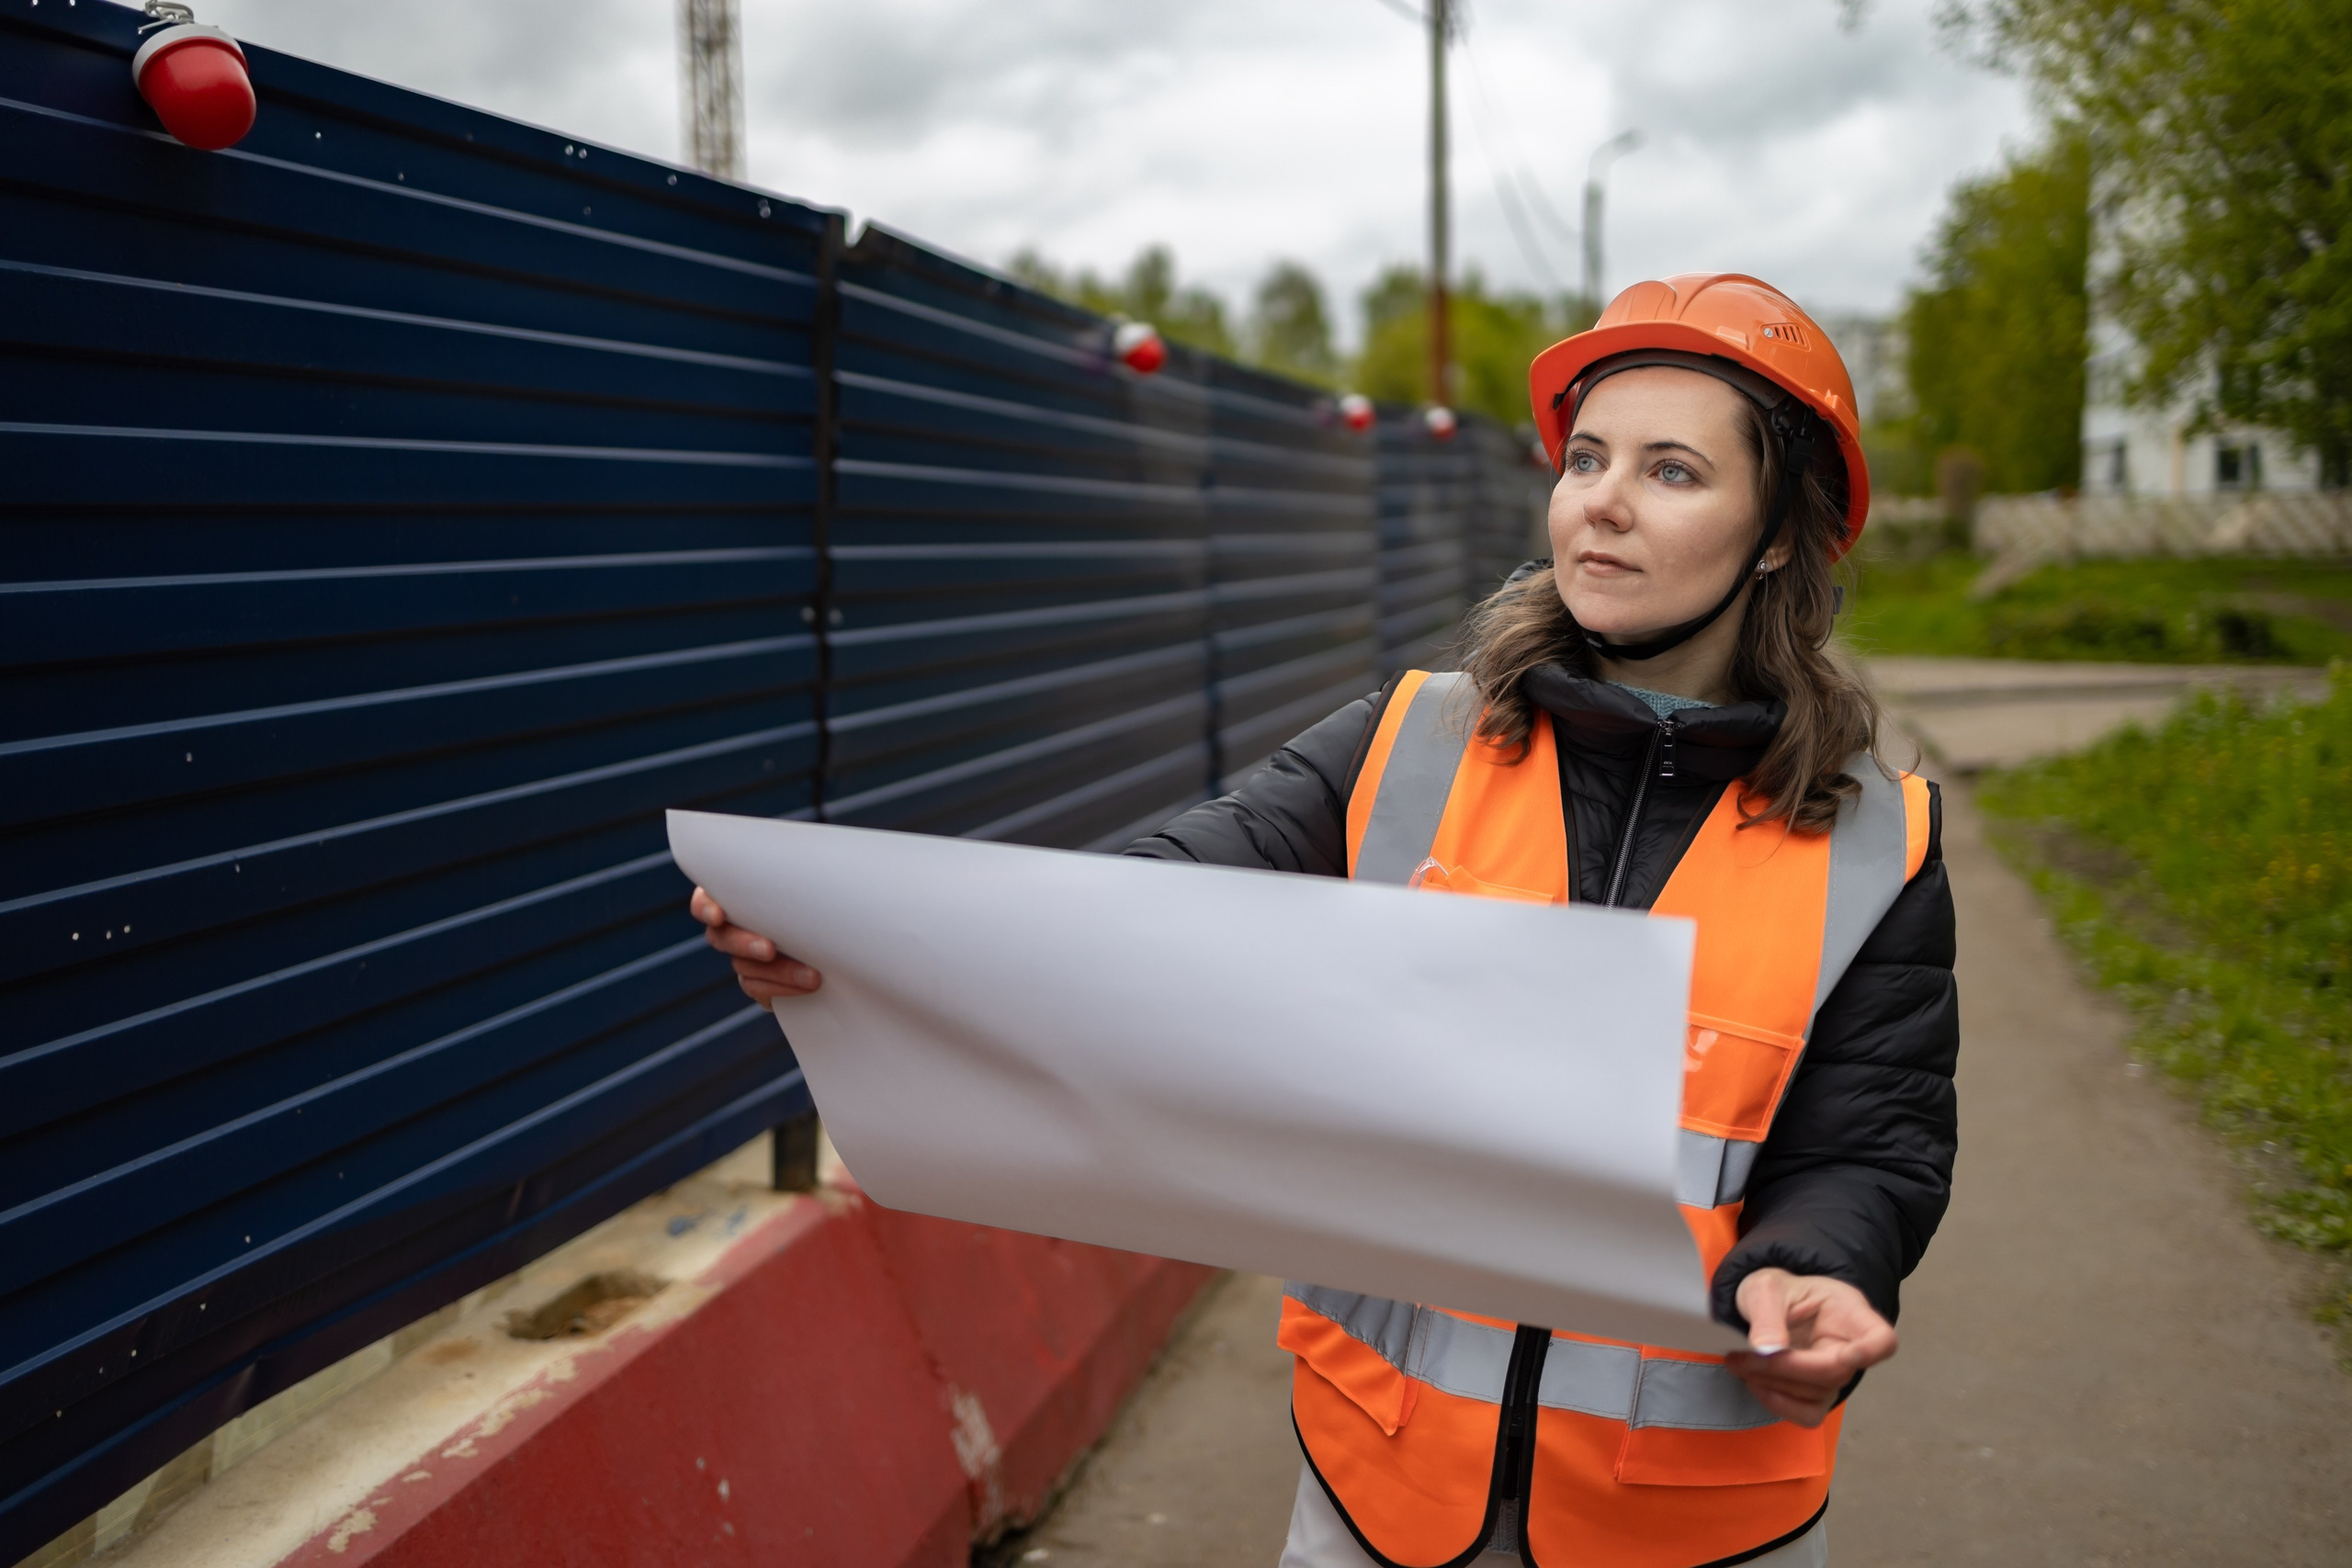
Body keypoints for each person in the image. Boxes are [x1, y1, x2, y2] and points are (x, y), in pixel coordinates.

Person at [690, 273, 1958, 1568]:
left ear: (1781, 533)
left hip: (1694, 1520)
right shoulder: (1407, 746)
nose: (1603, 502)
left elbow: (1873, 1145)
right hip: (1380, 1494)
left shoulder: (1874, 842)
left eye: (1674, 471)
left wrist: (1819, 1269)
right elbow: (1141, 914)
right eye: (1585, 457)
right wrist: (864, 948)